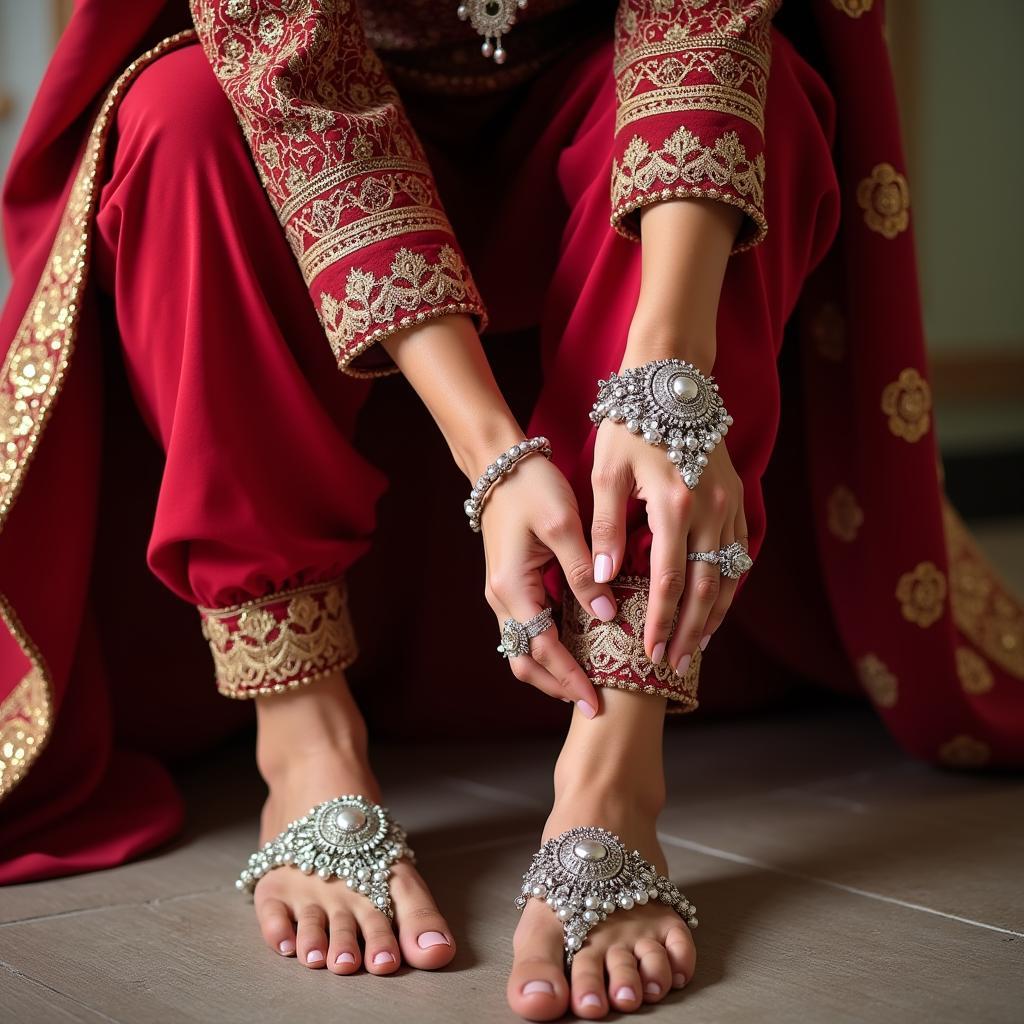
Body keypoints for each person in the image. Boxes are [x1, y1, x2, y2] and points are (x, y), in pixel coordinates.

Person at [1, 1, 1020, 1020]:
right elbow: (297, 78)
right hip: (312, 118)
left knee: (771, 102)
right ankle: (303, 735)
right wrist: (494, 457)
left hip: (604, 89)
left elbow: (699, 27)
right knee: (183, 115)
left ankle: (613, 762)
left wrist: (666, 375)